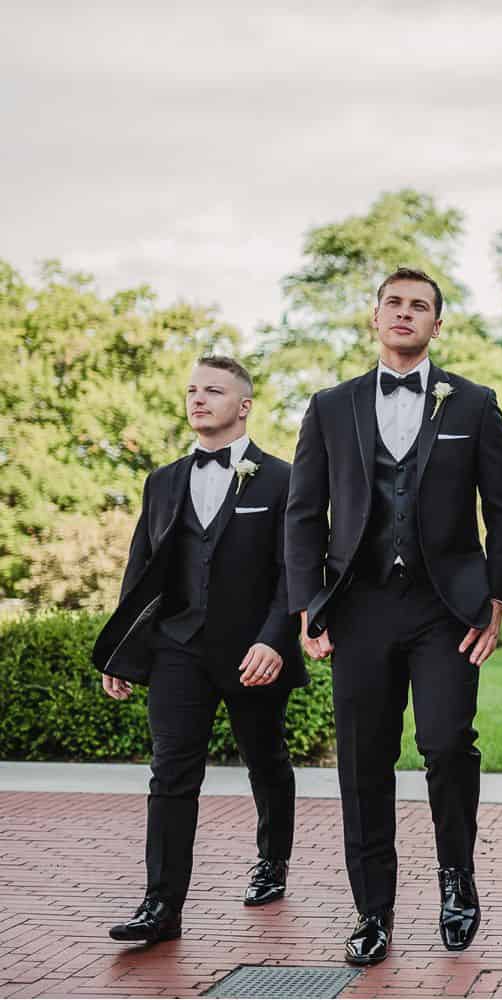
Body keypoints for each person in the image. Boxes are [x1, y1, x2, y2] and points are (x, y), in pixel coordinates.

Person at [285, 267, 502, 965]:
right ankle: (373, 911)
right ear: (375, 316)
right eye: (394, 302)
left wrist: (499, 599)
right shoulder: (331, 406)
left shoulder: (474, 404)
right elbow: (304, 513)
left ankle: (456, 878)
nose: (405, 313)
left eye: (420, 306)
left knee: (447, 744)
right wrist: (307, 606)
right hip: (357, 607)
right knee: (363, 761)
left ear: (436, 326)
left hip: (444, 608)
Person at [94, 355, 304, 945]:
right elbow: (141, 572)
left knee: (265, 758)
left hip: (253, 653)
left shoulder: (285, 479)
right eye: (191, 390)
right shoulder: (161, 481)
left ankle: (272, 859)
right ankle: (160, 906)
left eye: (212, 390)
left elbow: (294, 570)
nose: (198, 399)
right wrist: (121, 652)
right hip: (177, 649)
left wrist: (274, 640)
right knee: (170, 775)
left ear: (244, 405)